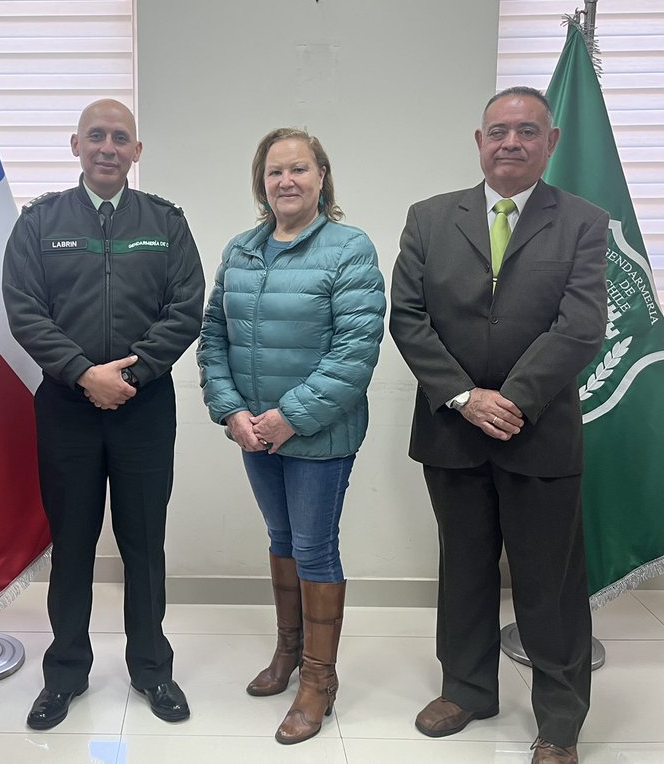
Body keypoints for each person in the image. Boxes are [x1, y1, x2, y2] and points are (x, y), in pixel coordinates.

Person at [388, 87, 609, 764]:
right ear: (478, 141)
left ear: (552, 141)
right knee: (464, 568)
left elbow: (581, 326)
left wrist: (509, 399)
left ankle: (560, 722)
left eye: (526, 131)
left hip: (538, 431)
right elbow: (408, 317)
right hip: (452, 432)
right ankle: (467, 689)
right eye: (498, 131)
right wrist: (464, 397)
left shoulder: (583, 221)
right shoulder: (429, 218)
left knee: (550, 581)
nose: (510, 142)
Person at [2, 99, 206, 729]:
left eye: (121, 138)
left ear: (137, 151)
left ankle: (151, 668)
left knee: (144, 543)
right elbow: (24, 308)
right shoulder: (39, 223)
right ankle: (65, 671)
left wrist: (133, 372)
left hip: (144, 409)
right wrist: (84, 373)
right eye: (97, 136)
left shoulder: (165, 223)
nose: (109, 147)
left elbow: (187, 307)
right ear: (76, 145)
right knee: (73, 544)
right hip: (66, 406)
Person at [198, 127, 386, 745]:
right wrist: (231, 412)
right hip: (255, 435)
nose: (286, 181)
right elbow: (214, 338)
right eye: (275, 171)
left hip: (319, 437)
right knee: (280, 539)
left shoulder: (348, 248)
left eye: (299, 169)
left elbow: (356, 352)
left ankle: (318, 680)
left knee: (314, 550)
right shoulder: (241, 250)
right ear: (262, 182)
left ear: (321, 177)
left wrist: (288, 417)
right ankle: (287, 653)